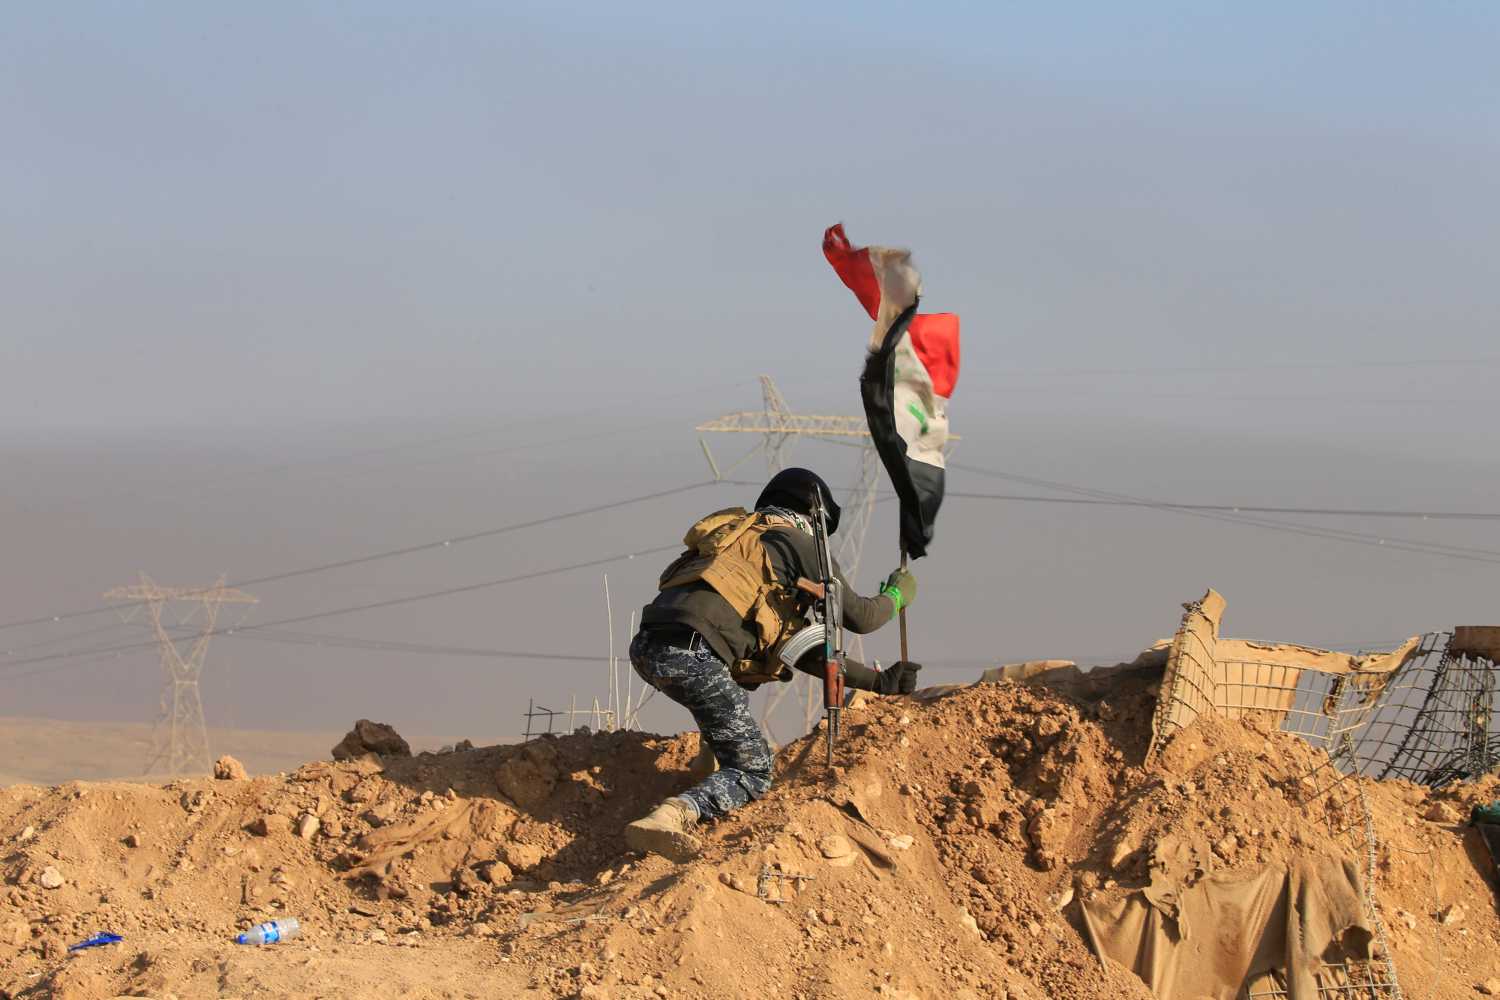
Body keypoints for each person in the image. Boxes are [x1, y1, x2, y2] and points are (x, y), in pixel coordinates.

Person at [623, 467, 920, 860]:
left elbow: (799, 648)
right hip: (696, 655)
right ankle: (673, 816)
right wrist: (897, 596)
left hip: (649, 647)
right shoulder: (796, 539)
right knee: (754, 770)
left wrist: (878, 682)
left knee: (722, 686)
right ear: (816, 517)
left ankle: (707, 761)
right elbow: (861, 617)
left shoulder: (735, 540)